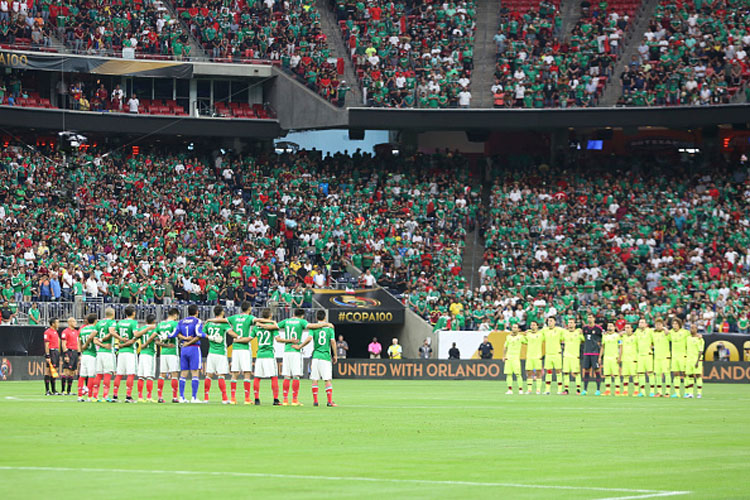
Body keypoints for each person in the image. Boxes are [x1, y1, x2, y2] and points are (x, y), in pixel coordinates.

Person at [277, 309, 331, 406]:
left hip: (287, 351)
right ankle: (294, 400)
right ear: (302, 316)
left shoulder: (286, 321)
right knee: (296, 376)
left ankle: (285, 400)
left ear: (293, 314)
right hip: (296, 351)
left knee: (286, 376)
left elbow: (275, 326)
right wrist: (326, 324)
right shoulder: (301, 321)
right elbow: (312, 326)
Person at [298, 310, 338, 406]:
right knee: (327, 380)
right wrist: (335, 355)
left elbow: (310, 338)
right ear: (325, 317)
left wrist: (300, 346)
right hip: (325, 356)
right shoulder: (329, 328)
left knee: (315, 379)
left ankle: (315, 401)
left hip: (315, 356)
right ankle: (329, 401)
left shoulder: (313, 328)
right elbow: (332, 341)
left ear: (316, 318)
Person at [203, 305, 238, 404]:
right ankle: (224, 398)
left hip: (211, 353)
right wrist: (239, 336)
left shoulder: (209, 323)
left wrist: (210, 337)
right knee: (221, 375)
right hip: (221, 353)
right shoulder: (223, 323)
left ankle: (206, 398)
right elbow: (231, 333)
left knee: (209, 375)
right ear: (222, 312)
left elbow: (201, 333)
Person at [171, 304, 204, 403]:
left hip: (184, 349)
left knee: (183, 373)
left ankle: (181, 397)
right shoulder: (197, 321)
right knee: (195, 373)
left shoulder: (181, 322)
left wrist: (184, 340)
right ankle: (194, 397)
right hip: (194, 348)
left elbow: (174, 334)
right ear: (197, 312)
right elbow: (198, 334)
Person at [227, 301, 256, 404]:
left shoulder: (234, 317)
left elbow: (224, 322)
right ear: (249, 308)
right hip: (244, 348)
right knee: (247, 373)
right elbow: (258, 321)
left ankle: (233, 398)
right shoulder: (250, 318)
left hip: (235, 348)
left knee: (235, 373)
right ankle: (247, 398)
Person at [250, 308, 280, 405]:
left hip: (260, 355)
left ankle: (256, 399)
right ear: (270, 315)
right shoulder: (272, 326)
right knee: (274, 377)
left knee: (257, 377)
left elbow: (250, 338)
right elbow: (277, 338)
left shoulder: (256, 327)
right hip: (269, 354)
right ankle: (275, 399)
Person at [112, 305, 139, 402]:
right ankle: (128, 396)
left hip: (121, 352)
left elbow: (114, 333)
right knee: (130, 374)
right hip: (130, 351)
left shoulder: (120, 323)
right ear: (133, 313)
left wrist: (120, 340)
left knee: (119, 374)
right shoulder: (134, 323)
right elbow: (135, 334)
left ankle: (115, 395)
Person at [92, 308, 118, 402]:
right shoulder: (112, 322)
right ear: (113, 314)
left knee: (99, 374)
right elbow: (111, 332)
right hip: (108, 352)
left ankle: (95, 396)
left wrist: (101, 344)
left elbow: (94, 340)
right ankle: (105, 396)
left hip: (100, 353)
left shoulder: (99, 324)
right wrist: (104, 342)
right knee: (108, 373)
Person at [155, 308, 180, 403]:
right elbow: (176, 334)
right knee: (174, 374)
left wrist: (165, 345)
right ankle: (174, 397)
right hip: (172, 351)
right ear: (175, 315)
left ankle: (160, 397)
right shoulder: (175, 324)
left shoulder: (160, 324)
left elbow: (156, 340)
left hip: (163, 352)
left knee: (162, 374)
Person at [134, 314, 158, 402]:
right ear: (154, 321)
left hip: (142, 353)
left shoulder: (141, 329)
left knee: (141, 376)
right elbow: (157, 340)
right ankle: (149, 396)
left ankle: (140, 397)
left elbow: (135, 337)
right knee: (149, 376)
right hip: (150, 353)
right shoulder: (154, 330)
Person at [77, 314, 98, 402]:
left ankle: (80, 396)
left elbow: (79, 342)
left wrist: (80, 352)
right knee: (91, 376)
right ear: (95, 321)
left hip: (84, 354)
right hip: (92, 354)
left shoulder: (82, 330)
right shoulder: (94, 330)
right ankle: (89, 396)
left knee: (82, 376)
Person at [541, 317, 564, 395]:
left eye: (551, 321)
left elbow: (567, 333)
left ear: (555, 322)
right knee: (548, 372)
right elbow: (537, 333)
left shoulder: (560, 330)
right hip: (548, 354)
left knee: (558, 371)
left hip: (557, 353)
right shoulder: (544, 330)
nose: (549, 322)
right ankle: (547, 390)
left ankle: (560, 389)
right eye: (548, 321)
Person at [581, 314, 603, 395]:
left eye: (590, 317)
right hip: (587, 352)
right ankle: (585, 390)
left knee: (597, 370)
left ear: (594, 319)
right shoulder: (585, 328)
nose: (589, 319)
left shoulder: (598, 329)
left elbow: (602, 339)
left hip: (595, 353)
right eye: (588, 317)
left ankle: (598, 390)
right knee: (586, 370)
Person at [562, 318, 584, 395]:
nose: (570, 324)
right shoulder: (565, 333)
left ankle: (578, 390)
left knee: (576, 373)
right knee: (566, 373)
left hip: (575, 356)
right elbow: (560, 340)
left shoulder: (578, 332)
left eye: (572, 322)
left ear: (575, 324)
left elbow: (584, 340)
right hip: (566, 356)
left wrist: (581, 332)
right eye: (569, 323)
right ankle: (566, 390)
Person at [669, 318, 689, 398]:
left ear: (679, 325)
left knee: (684, 374)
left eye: (676, 324)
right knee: (675, 374)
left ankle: (687, 392)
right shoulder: (670, 333)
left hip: (683, 355)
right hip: (674, 356)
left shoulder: (685, 332)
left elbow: (692, 337)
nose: (674, 325)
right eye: (673, 324)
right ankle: (676, 393)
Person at [651, 318, 672, 397]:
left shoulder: (666, 333)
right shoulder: (653, 334)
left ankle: (667, 392)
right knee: (658, 374)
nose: (658, 326)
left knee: (667, 374)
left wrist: (666, 329)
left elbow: (671, 337)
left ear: (662, 325)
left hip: (665, 356)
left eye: (659, 324)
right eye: (656, 325)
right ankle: (659, 392)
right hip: (657, 357)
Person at [600, 322, 621, 396]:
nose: (609, 327)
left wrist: (619, 356)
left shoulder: (617, 336)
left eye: (611, 326)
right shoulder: (604, 336)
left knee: (616, 375)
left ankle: (617, 391)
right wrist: (600, 357)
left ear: (614, 327)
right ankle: (607, 391)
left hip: (614, 357)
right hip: (606, 357)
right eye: (608, 326)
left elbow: (620, 346)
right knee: (607, 375)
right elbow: (602, 347)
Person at [503, 324, 525, 394]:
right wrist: (504, 356)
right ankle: (510, 390)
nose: (514, 329)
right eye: (513, 327)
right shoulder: (508, 337)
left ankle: (520, 390)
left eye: (515, 327)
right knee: (509, 374)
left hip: (516, 358)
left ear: (518, 329)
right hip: (508, 358)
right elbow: (505, 347)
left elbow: (527, 342)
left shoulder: (521, 337)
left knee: (518, 374)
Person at [60, 317, 80, 396]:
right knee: (66, 371)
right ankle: (63, 390)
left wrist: (79, 354)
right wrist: (66, 355)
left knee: (72, 372)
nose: (75, 323)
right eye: (74, 321)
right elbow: (63, 344)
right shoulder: (65, 332)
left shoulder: (76, 332)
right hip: (69, 352)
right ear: (70, 322)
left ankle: (69, 391)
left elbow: (78, 343)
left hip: (75, 352)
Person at [634, 318, 654, 397]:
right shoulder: (637, 332)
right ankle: (642, 392)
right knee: (641, 373)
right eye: (640, 322)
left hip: (648, 354)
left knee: (650, 373)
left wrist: (651, 347)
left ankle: (652, 392)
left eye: (642, 322)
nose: (641, 324)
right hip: (640, 355)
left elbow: (654, 341)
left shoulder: (650, 331)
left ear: (646, 324)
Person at [684, 324, 704, 398]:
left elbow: (701, 351)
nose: (691, 329)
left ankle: (699, 393)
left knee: (698, 376)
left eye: (693, 328)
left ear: (696, 329)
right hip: (689, 360)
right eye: (690, 328)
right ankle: (690, 393)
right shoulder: (688, 338)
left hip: (696, 360)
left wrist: (697, 361)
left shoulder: (700, 339)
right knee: (690, 376)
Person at [525, 321, 543, 394]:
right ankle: (529, 389)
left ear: (537, 326)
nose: (532, 326)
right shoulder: (527, 334)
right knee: (529, 373)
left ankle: (538, 390)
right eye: (531, 325)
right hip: (529, 356)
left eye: (534, 325)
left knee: (538, 373)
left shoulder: (541, 334)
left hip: (538, 356)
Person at [43, 318, 60, 395]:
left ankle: (54, 390)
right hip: (51, 351)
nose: (58, 324)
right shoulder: (47, 332)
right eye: (57, 322)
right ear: (53, 324)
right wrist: (47, 355)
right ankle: (47, 390)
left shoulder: (55, 332)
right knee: (48, 371)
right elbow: (46, 344)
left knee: (54, 371)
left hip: (56, 351)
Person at [620, 324, 638, 396]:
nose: (626, 329)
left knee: (635, 375)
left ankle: (636, 391)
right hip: (625, 358)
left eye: (628, 328)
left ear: (631, 329)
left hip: (633, 359)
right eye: (625, 328)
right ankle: (625, 391)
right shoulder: (622, 337)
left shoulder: (636, 337)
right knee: (625, 375)